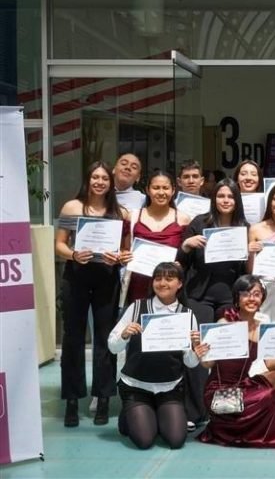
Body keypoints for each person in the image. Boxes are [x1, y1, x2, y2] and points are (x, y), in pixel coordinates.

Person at [54, 161, 130, 427]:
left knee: (105, 338)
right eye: (95, 177)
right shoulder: (71, 207)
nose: (99, 182)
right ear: (87, 180)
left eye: (104, 178)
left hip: (106, 278)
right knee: (72, 338)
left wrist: (118, 257)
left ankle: (104, 397)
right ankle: (72, 400)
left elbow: (125, 250)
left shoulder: (120, 212)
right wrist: (73, 254)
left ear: (111, 183)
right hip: (76, 276)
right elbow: (59, 245)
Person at [178, 178, 250, 428]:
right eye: (221, 196)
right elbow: (180, 260)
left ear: (236, 200)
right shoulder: (199, 223)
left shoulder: (244, 227)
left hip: (230, 297)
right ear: (214, 199)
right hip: (200, 295)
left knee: (227, 351)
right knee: (200, 350)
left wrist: (252, 250)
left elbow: (248, 269)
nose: (225, 200)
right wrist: (187, 245)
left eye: (230, 196)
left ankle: (224, 407)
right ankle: (195, 411)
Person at [108, 262, 203, 449]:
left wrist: (196, 351)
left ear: (180, 284)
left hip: (170, 388)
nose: (162, 283)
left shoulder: (187, 315)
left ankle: (154, 415)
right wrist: (124, 334)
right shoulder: (136, 307)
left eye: (169, 279)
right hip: (136, 386)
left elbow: (190, 363)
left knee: (176, 440)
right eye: (158, 278)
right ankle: (129, 415)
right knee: (144, 441)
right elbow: (112, 347)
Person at [198, 275, 275, 448]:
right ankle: (240, 429)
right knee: (267, 395)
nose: (252, 299)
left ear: (262, 298)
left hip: (242, 386)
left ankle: (247, 429)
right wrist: (201, 354)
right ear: (237, 297)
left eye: (257, 294)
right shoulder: (225, 321)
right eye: (246, 294)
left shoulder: (261, 327)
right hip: (218, 390)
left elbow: (270, 364)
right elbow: (208, 364)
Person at [124, 171, 191, 305]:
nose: (161, 192)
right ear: (147, 190)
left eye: (165, 188)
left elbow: (187, 256)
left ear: (173, 190)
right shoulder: (133, 217)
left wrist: (181, 265)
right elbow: (124, 249)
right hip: (139, 283)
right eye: (156, 188)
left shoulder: (183, 219)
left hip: (169, 286)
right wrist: (124, 256)